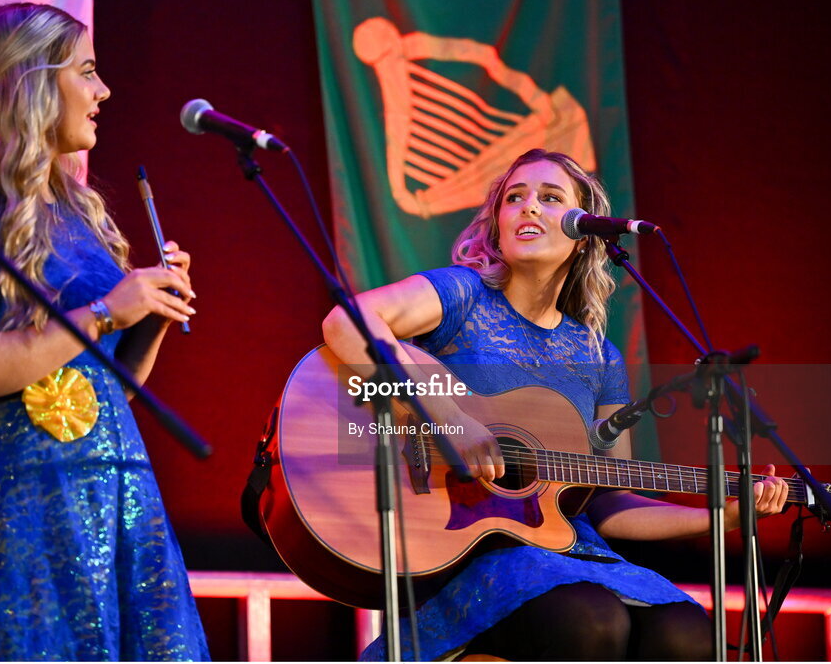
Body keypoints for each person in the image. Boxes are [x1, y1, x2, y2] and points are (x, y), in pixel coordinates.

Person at [322, 149, 789, 661]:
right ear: (495, 226)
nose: (529, 208)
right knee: (587, 618)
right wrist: (450, 417)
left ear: (584, 233)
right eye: (514, 198)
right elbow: (346, 323)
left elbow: (609, 499)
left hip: (570, 547)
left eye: (550, 199)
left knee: (686, 631)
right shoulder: (462, 293)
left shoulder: (598, 355)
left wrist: (718, 517)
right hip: (464, 543)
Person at [0, 3, 208, 660]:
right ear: (32, 82)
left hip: (116, 496)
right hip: (26, 506)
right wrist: (104, 312)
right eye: (88, 73)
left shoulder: (76, 210)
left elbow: (109, 388)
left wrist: (147, 316)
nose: (104, 92)